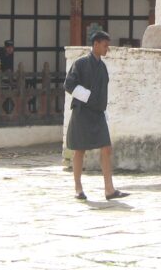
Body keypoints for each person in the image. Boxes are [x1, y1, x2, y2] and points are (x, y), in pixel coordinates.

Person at [64, 31, 128, 202]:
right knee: (80, 149)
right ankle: (78, 188)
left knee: (106, 148)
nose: (107, 49)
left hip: (98, 113)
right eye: (105, 45)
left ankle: (109, 189)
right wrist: (88, 97)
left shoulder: (103, 67)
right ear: (96, 44)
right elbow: (68, 84)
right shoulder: (80, 63)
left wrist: (103, 108)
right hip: (82, 112)